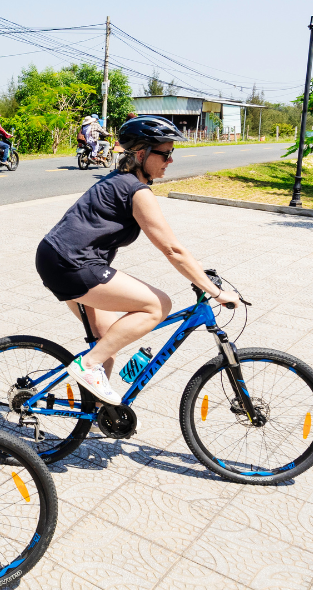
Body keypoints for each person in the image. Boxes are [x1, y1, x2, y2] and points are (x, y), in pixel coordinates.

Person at [35, 115, 241, 404]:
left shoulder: (124, 181)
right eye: (166, 153)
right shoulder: (135, 190)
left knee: (108, 339)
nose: (170, 160)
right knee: (158, 305)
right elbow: (172, 249)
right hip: (71, 263)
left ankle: (97, 413)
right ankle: (87, 366)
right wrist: (215, 292)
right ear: (141, 154)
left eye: (172, 153)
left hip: (57, 257)